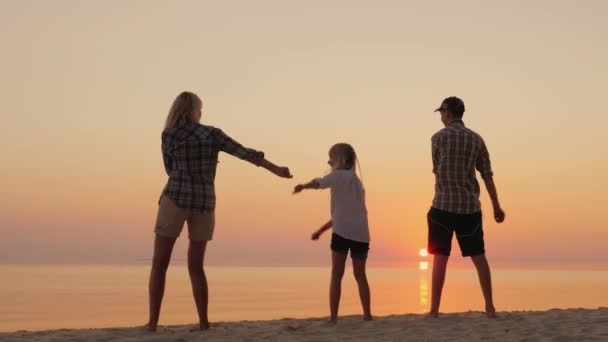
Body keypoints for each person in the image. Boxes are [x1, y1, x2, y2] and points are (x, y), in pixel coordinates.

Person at [146, 91, 292, 331]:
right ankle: (204, 322)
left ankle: (152, 323)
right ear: (195, 110)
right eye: (200, 109)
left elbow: (169, 169)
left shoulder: (168, 134)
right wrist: (276, 169)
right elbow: (243, 152)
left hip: (174, 199)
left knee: (159, 264)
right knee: (196, 266)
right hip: (204, 203)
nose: (201, 113)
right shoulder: (211, 133)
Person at [427, 96, 505, 318]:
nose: (441, 116)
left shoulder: (437, 138)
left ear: (448, 113)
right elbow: (487, 174)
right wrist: (496, 206)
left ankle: (434, 310)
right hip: (470, 208)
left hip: (442, 206)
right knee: (479, 256)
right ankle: (490, 306)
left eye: (442, 112)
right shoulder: (477, 139)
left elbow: (436, 169)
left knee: (440, 258)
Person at [293, 143, 372, 324]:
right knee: (361, 276)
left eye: (331, 157)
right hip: (361, 234)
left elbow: (319, 182)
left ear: (339, 159)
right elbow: (344, 216)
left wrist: (303, 186)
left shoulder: (336, 176)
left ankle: (333, 319)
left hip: (342, 235)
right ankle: (367, 315)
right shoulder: (357, 183)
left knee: (337, 275)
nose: (328, 161)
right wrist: (320, 231)